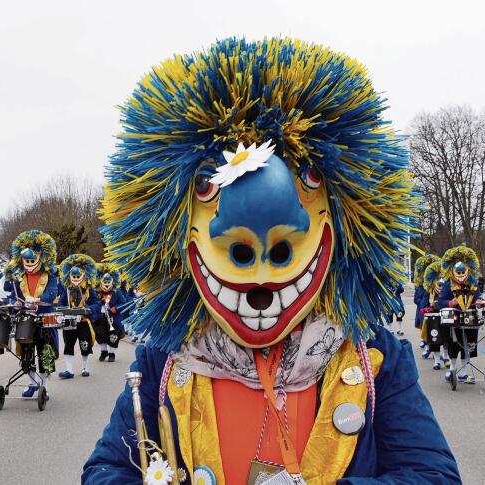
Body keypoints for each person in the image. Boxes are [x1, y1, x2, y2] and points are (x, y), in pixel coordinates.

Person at [84, 38, 459, 484]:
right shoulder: (162, 359)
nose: (262, 249)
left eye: (311, 177)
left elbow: (432, 474)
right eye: (207, 184)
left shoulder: (374, 354)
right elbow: (106, 470)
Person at [4, 230, 60, 398]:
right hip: (25, 319)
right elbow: (16, 296)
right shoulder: (19, 277)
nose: (29, 263)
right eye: (26, 261)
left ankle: (44, 386)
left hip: (44, 319)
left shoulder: (49, 275)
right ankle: (31, 383)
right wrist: (16, 302)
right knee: (27, 353)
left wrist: (37, 299)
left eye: (32, 260)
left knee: (45, 353)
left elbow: (52, 293)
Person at [437, 246, 482, 385]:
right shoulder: (447, 284)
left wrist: (479, 301)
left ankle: (464, 373)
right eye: (459, 272)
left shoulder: (473, 283)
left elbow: (477, 296)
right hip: (454, 319)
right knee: (454, 344)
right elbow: (440, 302)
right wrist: (450, 302)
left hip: (470, 319)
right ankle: (452, 368)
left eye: (463, 272)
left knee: (468, 345)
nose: (461, 274)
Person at [57, 254, 98, 379]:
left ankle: (85, 367)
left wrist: (88, 309)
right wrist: (63, 310)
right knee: (68, 345)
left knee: (84, 344)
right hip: (70, 322)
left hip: (84, 322)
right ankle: (69, 370)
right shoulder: (67, 289)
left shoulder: (90, 290)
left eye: (77, 276)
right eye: (73, 276)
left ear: (83, 276)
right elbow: (61, 303)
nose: (75, 279)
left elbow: (97, 303)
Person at [90, 266, 126, 363]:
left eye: (108, 282)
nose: (106, 285)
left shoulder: (116, 291)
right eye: (104, 282)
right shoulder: (96, 291)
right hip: (100, 317)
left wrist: (115, 309)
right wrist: (99, 304)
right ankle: (104, 351)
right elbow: (93, 303)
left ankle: (112, 353)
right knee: (100, 333)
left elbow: (123, 303)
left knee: (113, 334)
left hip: (113, 318)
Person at [422, 260, 451, 370]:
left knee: (447, 338)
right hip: (433, 317)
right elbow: (424, 303)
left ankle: (447, 358)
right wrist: (425, 308)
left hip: (446, 315)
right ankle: (437, 361)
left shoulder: (448, 288)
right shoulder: (429, 291)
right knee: (434, 339)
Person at [412, 254, 440, 352]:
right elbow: (415, 299)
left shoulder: (437, 284)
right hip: (423, 309)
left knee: (433, 329)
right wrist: (424, 304)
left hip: (434, 309)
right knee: (423, 327)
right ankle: (425, 343)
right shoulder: (420, 286)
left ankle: (432, 347)